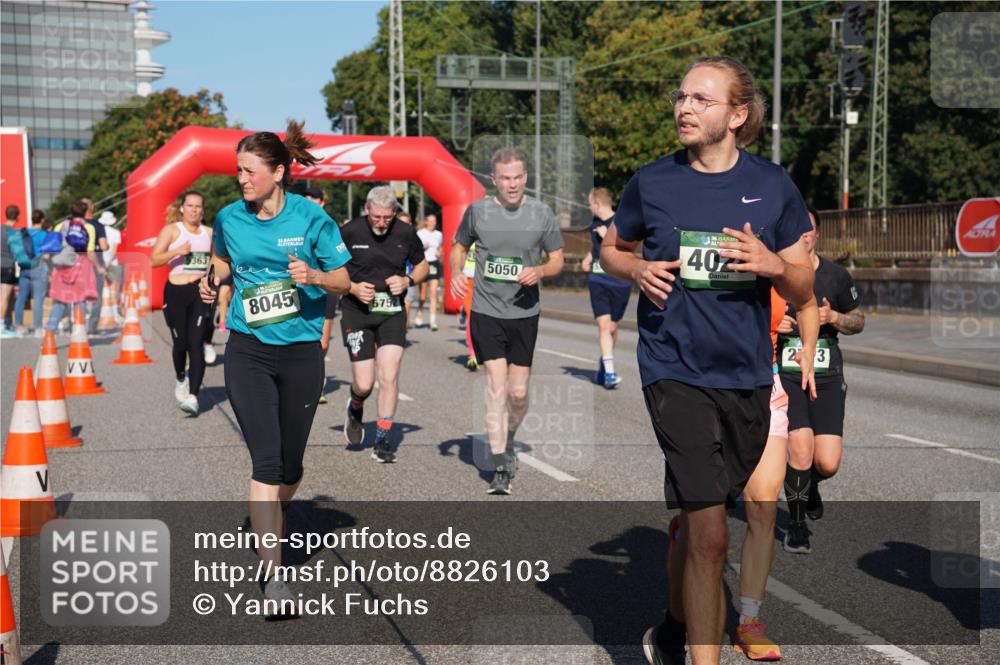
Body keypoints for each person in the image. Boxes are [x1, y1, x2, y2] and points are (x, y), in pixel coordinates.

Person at [599, 56, 816, 665]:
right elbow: (612, 250)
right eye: (680, 97)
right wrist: (637, 268)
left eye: (701, 99)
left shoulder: (774, 186)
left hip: (746, 373)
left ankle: (674, 621)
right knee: (715, 533)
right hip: (673, 368)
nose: (684, 108)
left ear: (738, 115)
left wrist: (774, 265)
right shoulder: (652, 181)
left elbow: (803, 286)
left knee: (711, 522)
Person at [199, 121, 351, 618]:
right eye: (237, 170)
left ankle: (278, 505)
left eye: (249, 171)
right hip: (248, 350)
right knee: (264, 463)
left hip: (302, 353)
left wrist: (315, 276)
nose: (240, 178)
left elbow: (344, 281)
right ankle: (274, 575)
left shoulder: (311, 218)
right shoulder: (228, 217)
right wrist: (212, 278)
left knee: (290, 467)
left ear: (278, 172)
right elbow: (222, 260)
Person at [450, 147, 565, 495]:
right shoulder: (478, 212)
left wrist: (541, 270)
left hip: (525, 313)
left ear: (525, 178)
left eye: (517, 178)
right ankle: (500, 464)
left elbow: (557, 259)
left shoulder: (541, 214)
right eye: (505, 178)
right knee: (496, 387)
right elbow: (459, 246)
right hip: (486, 311)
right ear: (494, 180)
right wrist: (456, 271)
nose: (512, 184)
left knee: (518, 393)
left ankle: (510, 435)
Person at [732, 287, 818, 660]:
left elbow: (808, 300)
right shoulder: (699, 238)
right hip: (704, 390)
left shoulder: (774, 252)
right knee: (703, 520)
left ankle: (748, 621)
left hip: (765, 388)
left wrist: (808, 347)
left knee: (763, 507)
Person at [779, 204, 864, 554]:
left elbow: (858, 321)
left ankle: (810, 485)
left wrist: (834, 316)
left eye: (808, 228)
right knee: (800, 449)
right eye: (797, 228)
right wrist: (774, 325)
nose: (802, 234)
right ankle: (797, 527)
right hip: (786, 369)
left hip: (827, 371)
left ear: (816, 233)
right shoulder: (777, 272)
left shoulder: (836, 275)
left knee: (826, 462)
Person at [340, 186, 427, 463]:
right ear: (367, 209)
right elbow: (332, 268)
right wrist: (352, 287)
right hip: (357, 312)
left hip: (391, 311)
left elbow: (422, 266)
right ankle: (355, 407)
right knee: (365, 384)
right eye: (376, 217)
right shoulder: (350, 231)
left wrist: (408, 281)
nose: (381, 223)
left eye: (387, 218)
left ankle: (382, 440)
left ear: (394, 213)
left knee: (389, 375)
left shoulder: (405, 233)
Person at [151, 191, 214, 416]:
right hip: (176, 291)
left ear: (202, 210)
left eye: (198, 206)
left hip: (198, 291)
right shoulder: (172, 231)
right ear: (182, 208)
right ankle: (180, 378)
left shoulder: (209, 234)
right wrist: (177, 251)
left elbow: (218, 261)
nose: (194, 210)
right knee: (181, 345)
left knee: (196, 345)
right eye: (190, 206)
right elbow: (154, 260)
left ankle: (193, 396)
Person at [581, 187, 632, 389]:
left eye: (589, 203)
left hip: (619, 282)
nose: (588, 207)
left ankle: (605, 361)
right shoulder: (594, 224)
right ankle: (610, 373)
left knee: (612, 327)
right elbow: (594, 249)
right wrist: (588, 257)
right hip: (598, 280)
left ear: (597, 204)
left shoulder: (622, 221)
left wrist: (607, 238)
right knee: (603, 325)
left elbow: (628, 250)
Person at [48, 200, 105, 333]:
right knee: (80, 300)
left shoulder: (60, 225)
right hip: (81, 267)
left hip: (62, 267)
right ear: (86, 213)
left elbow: (54, 247)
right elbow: (90, 252)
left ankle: (49, 334)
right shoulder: (89, 227)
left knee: (60, 301)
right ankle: (79, 333)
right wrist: (98, 267)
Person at [305, 186, 335, 405]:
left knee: (322, 344)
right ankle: (304, 383)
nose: (310, 203)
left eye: (314, 199)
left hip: (325, 287)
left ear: (322, 203)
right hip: (300, 288)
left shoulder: (328, 225)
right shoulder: (294, 222)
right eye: (307, 199)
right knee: (303, 340)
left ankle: (317, 384)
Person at [13, 209, 53, 336]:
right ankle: (37, 328)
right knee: (38, 299)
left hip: (24, 268)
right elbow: (46, 256)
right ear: (42, 220)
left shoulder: (22, 233)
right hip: (38, 268)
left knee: (21, 298)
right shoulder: (44, 235)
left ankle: (19, 326)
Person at [82, 197, 110, 334]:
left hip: (78, 259)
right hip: (96, 258)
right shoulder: (98, 225)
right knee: (96, 294)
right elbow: (104, 246)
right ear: (92, 208)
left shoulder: (73, 224)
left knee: (78, 294)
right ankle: (92, 327)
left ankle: (76, 324)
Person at [416, 213, 443, 330]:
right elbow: (415, 248)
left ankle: (433, 322)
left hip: (434, 264)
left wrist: (439, 252)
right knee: (422, 295)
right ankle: (420, 310)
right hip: (423, 264)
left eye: (434, 221)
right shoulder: (420, 233)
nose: (432, 223)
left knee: (433, 293)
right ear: (426, 222)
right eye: (430, 221)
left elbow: (440, 247)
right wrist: (421, 246)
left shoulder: (438, 234)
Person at [98, 211, 123, 324]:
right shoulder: (116, 232)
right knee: (114, 289)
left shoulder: (99, 232)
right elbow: (114, 250)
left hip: (100, 262)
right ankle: (115, 312)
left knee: (100, 288)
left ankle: (99, 312)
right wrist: (109, 262)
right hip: (113, 262)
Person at [1, 205, 22, 337]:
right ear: (18, 217)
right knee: (5, 297)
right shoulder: (15, 234)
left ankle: (5, 324)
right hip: (7, 265)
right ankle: (2, 326)